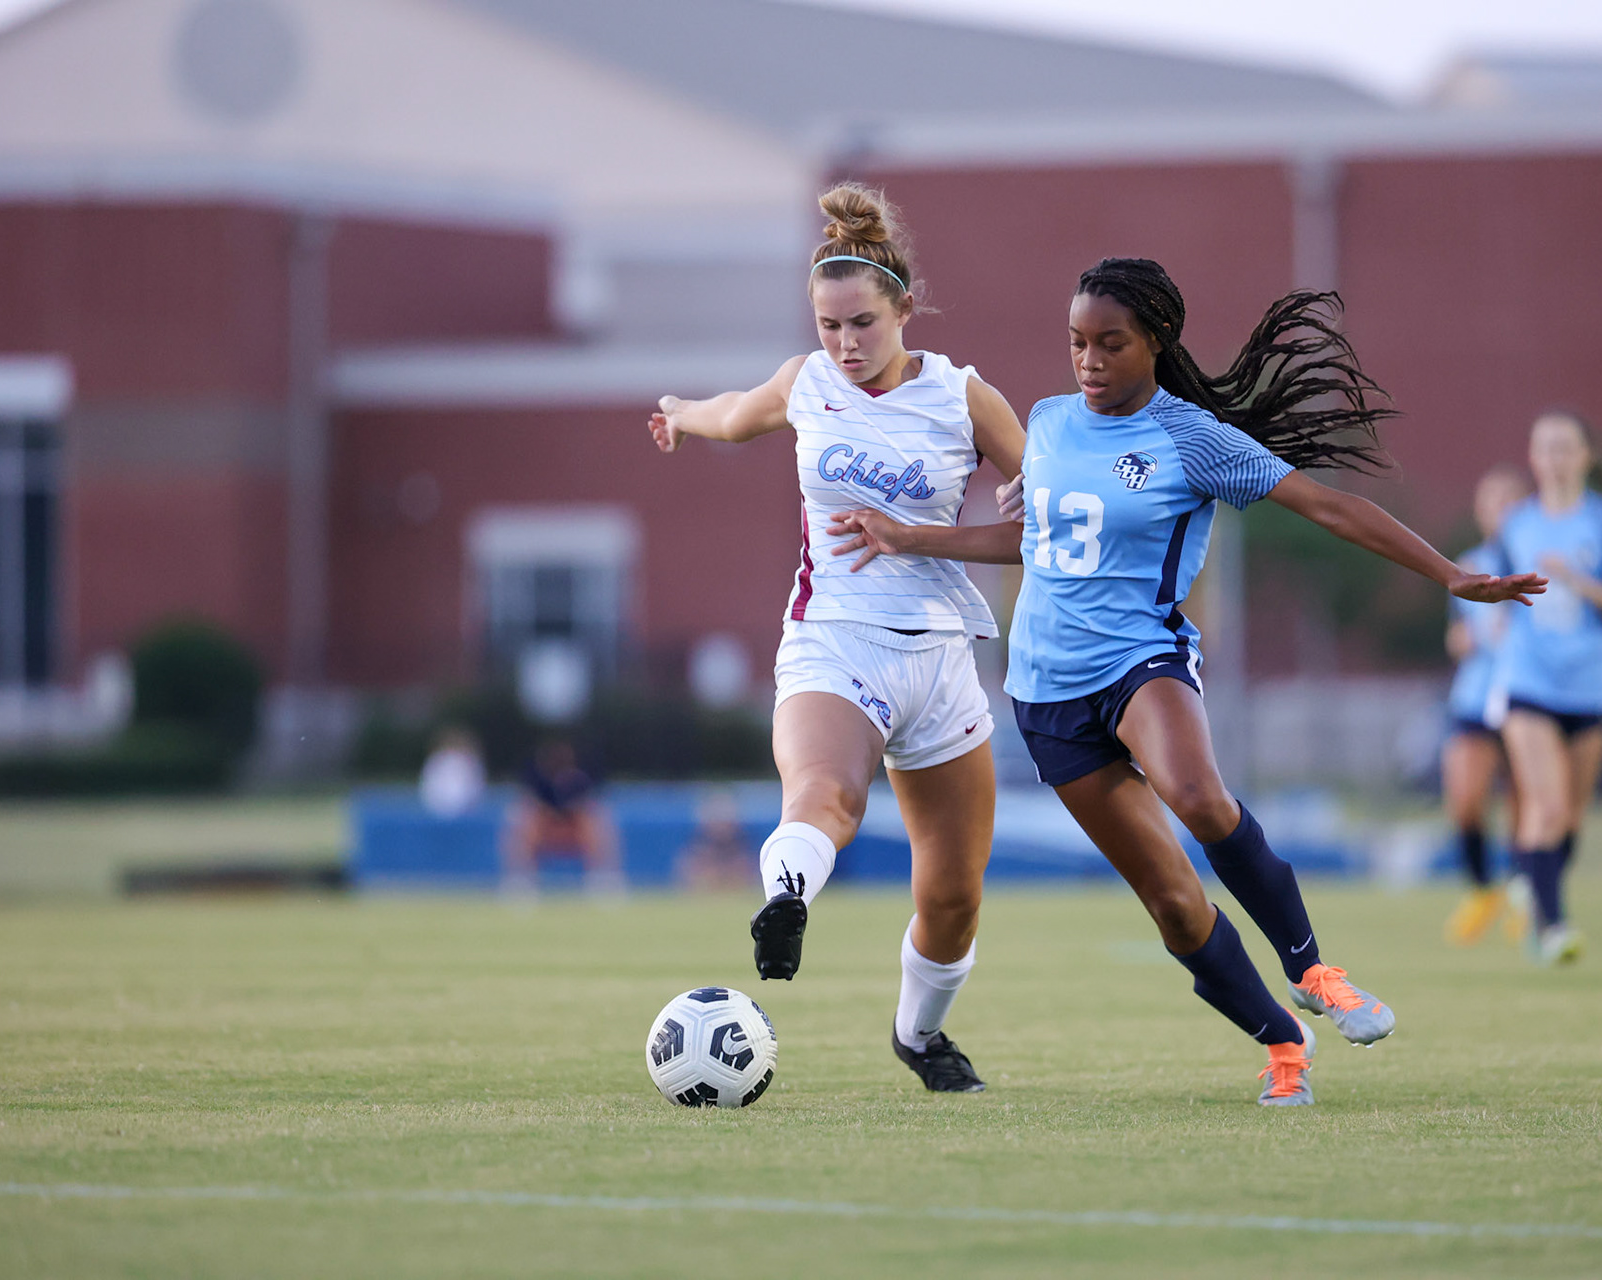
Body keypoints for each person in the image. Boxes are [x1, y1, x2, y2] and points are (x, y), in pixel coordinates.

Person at [831, 258, 1544, 1106]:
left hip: (1142, 660)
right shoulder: (1050, 423)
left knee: (1199, 798)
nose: (1088, 362)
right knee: (1171, 900)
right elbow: (1037, 545)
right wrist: (913, 538)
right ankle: (1283, 1042)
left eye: (1110, 344)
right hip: (1046, 694)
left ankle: (1312, 968)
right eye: (1076, 343)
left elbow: (1326, 506)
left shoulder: (1192, 437)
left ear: (1157, 343)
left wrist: (1447, 574)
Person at [646, 184, 1026, 1093]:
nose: (845, 344)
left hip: (939, 659)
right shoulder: (805, 383)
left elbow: (1047, 525)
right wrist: (679, 413)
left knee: (952, 893)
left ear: (903, 306)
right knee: (824, 795)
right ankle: (787, 899)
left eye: (862, 322)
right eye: (828, 326)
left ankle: (919, 1035)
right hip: (833, 641)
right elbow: (737, 414)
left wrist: (1027, 496)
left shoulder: (966, 398)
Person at [1492, 411, 1602, 966]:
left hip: (1591, 683)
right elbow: (1500, 594)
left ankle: (1532, 891)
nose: (1554, 458)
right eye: (1544, 448)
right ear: (1532, 458)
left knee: (1570, 818)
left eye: (1565, 447)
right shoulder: (1516, 525)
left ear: (1587, 456)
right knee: (1548, 805)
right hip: (1529, 678)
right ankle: (1553, 925)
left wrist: (1579, 581)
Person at [1441, 466, 1530, 946]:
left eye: (1509, 500)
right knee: (1465, 799)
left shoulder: (1540, 564)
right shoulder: (1469, 563)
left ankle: (1524, 895)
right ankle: (1481, 889)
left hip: (1525, 696)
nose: (1500, 511)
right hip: (1475, 698)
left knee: (1523, 804)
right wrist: (1464, 641)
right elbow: (1458, 634)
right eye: (1491, 501)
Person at [503, 738, 622, 894]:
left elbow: (586, 805)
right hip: (545, 827)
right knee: (524, 823)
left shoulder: (580, 778)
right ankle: (521, 881)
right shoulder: (536, 780)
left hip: (574, 827)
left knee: (595, 822)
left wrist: (569, 814)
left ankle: (603, 878)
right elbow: (529, 803)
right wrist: (549, 815)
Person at [419, 726, 487, 818]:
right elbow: (429, 788)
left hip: (465, 811)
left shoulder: (469, 762)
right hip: (438, 810)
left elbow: (475, 789)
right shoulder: (438, 760)